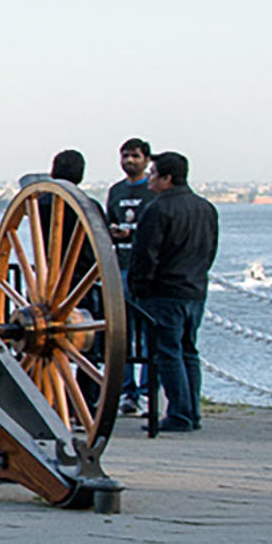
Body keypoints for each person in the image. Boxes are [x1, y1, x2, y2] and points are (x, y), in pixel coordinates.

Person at [124, 151, 218, 434]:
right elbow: (210, 250)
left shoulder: (158, 209)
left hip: (164, 292)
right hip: (195, 289)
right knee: (189, 351)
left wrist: (138, 289)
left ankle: (179, 413)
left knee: (168, 352)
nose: (149, 178)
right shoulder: (206, 208)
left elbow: (146, 255)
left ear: (167, 178)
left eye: (153, 173)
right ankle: (192, 412)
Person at [101, 138, 155, 414]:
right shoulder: (117, 191)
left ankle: (147, 392)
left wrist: (132, 233)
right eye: (124, 156)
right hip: (119, 266)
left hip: (143, 269)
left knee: (147, 334)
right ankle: (126, 392)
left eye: (134, 156)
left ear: (146, 160)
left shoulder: (153, 189)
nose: (129, 161)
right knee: (120, 333)